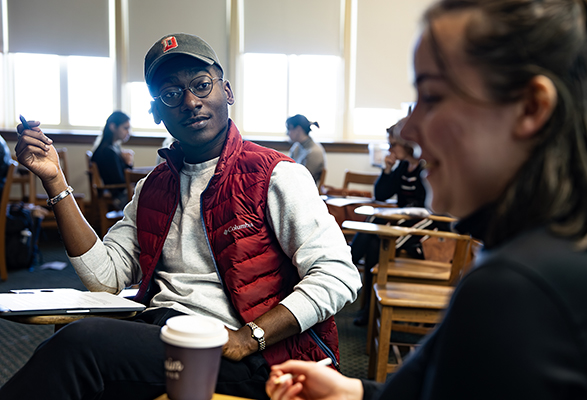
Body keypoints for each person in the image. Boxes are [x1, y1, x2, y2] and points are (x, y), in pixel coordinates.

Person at [266, 0, 587, 399]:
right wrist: (355, 393)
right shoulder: (537, 253)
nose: (409, 128)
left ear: (530, 107)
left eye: (433, 96)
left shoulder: (514, 289)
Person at [3, 33, 361, 400]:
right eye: (171, 94)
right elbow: (106, 278)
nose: (191, 102)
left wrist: (251, 336)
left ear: (227, 91)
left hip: (255, 356)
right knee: (77, 354)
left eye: (201, 85)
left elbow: (338, 275)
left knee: (81, 345)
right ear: (157, 111)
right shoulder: (153, 187)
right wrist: (55, 180)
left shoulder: (275, 175)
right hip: (163, 333)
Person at [349, 117, 446, 326]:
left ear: (407, 143)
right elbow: (382, 195)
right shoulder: (403, 167)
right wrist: (387, 170)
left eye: (393, 144)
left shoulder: (424, 167)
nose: (390, 149)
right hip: (406, 222)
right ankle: (366, 303)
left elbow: (434, 210)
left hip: (428, 229)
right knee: (374, 230)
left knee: (378, 240)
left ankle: (349, 269)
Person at [90, 111, 134, 210]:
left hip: (118, 193)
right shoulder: (108, 152)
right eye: (125, 128)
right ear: (113, 127)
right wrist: (128, 163)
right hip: (119, 198)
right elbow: (121, 184)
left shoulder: (109, 148)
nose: (128, 132)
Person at [286, 114, 327, 185]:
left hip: (305, 192)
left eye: (289, 128)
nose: (287, 133)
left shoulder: (314, 152)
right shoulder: (297, 146)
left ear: (298, 129)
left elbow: (303, 181)